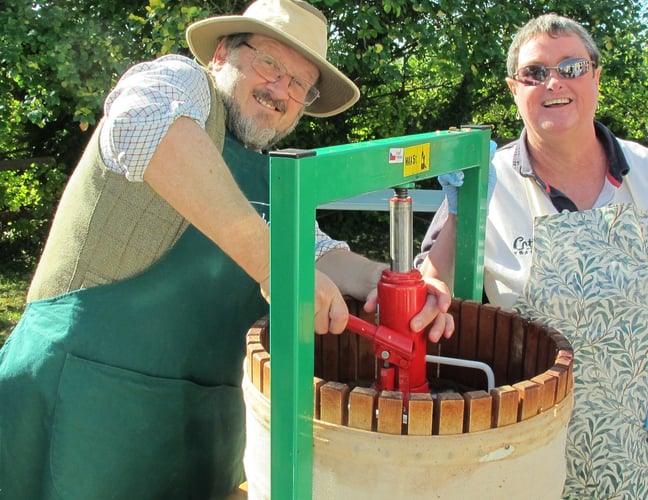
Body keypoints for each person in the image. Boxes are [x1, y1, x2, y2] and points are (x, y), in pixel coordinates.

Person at [0, 1, 455, 498]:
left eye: (299, 85)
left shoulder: (269, 169)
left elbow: (314, 249)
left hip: (197, 430)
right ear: (221, 54)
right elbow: (139, 126)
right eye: (269, 65)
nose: (280, 91)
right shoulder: (181, 84)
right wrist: (273, 265)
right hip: (82, 410)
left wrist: (388, 283)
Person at [418, 13, 648, 499]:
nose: (554, 82)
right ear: (515, 88)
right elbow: (433, 289)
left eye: (571, 67)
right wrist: (460, 213)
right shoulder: (487, 185)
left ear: (596, 76)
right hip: (533, 451)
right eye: (535, 73)